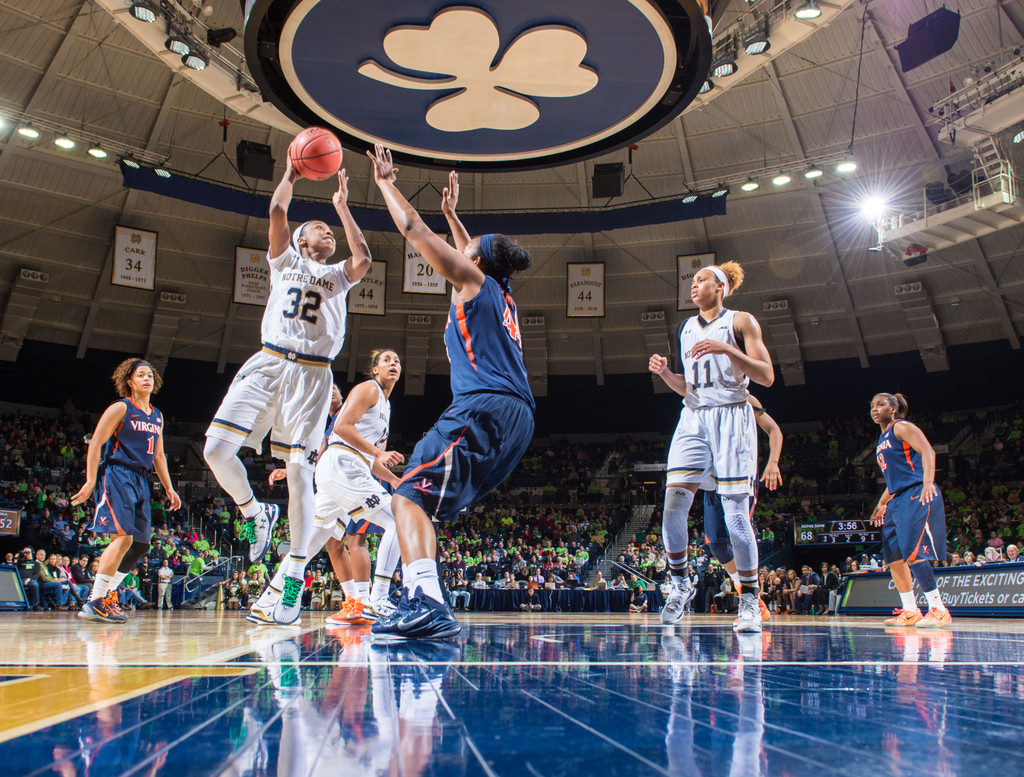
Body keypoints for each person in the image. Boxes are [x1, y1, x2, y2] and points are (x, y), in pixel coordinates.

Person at [366, 146, 534, 640]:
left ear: (475, 260)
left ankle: (427, 602)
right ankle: (423, 596)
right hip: (518, 417)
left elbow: (412, 229)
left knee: (406, 495)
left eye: (468, 247)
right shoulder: (502, 294)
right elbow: (470, 251)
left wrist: (385, 183)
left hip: (482, 406)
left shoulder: (475, 281)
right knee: (424, 501)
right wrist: (454, 215)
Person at [203, 154, 371, 614]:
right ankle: (254, 511)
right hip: (269, 361)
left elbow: (363, 259)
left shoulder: (336, 276)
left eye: (329, 230)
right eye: (319, 227)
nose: (327, 233)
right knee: (215, 450)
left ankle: (294, 575)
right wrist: (292, 174)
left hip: (313, 375)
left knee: (299, 473)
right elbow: (277, 211)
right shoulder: (283, 260)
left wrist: (342, 207)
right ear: (300, 240)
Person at [649, 262, 774, 633]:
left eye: (701, 279)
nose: (694, 285)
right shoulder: (685, 327)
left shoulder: (741, 321)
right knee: (673, 506)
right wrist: (665, 373)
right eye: (692, 280)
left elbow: (766, 376)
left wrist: (726, 349)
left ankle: (749, 601)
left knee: (736, 518)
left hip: (732, 416)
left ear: (720, 286)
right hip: (693, 416)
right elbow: (688, 387)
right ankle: (680, 584)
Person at [255, 352, 406, 627]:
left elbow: (373, 460)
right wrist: (377, 453)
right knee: (397, 521)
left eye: (396, 360)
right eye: (386, 360)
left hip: (343, 469)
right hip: (343, 465)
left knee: (310, 543)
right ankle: (376, 600)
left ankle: (265, 602)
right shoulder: (369, 389)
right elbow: (342, 427)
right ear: (374, 369)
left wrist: (394, 480)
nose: (393, 363)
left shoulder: (386, 406)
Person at [72, 359, 180, 623]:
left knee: (141, 545)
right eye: (140, 375)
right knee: (122, 538)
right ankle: (95, 600)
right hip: (118, 474)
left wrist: (169, 487)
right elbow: (96, 443)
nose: (147, 379)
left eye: (150, 375)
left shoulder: (157, 415)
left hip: (142, 480)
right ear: (129, 381)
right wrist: (90, 480)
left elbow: (159, 456)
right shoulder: (121, 407)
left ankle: (106, 595)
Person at [869, 393, 952, 628]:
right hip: (897, 499)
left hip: (916, 492)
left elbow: (928, 452)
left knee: (913, 553)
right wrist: (881, 503)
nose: (875, 409)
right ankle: (910, 610)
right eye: (872, 406)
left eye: (881, 405)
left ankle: (938, 609)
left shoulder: (901, 426)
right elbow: (895, 478)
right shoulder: (882, 438)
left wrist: (928, 482)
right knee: (894, 559)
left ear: (893, 409)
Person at [699, 394, 782, 625]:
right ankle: (744, 589)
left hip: (739, 475)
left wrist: (773, 462)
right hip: (713, 479)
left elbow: (774, 430)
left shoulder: (745, 398)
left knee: (738, 534)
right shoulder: (704, 396)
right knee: (715, 542)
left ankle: (751, 599)